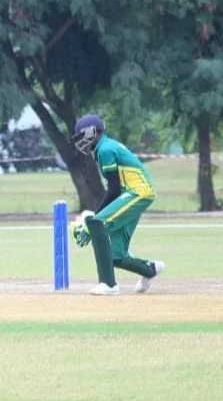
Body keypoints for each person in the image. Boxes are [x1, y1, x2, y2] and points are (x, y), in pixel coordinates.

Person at [70, 114, 165, 295]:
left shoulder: (105, 149)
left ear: (92, 132)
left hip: (138, 192)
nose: (80, 141)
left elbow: (113, 189)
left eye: (82, 136)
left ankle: (108, 284)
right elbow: (115, 189)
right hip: (133, 193)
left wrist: (93, 218)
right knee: (116, 255)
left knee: (98, 224)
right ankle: (150, 270)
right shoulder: (105, 148)